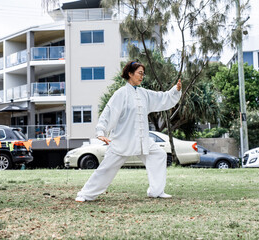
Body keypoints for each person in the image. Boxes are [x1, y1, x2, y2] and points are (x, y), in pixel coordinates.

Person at [75, 61, 182, 202]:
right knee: (106, 168)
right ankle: (85, 194)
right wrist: (101, 131)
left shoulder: (145, 94)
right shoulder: (121, 94)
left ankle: (156, 191)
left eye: (143, 74)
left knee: (159, 155)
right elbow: (109, 112)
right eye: (140, 73)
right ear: (130, 74)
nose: (142, 76)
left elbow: (162, 98)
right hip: (122, 140)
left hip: (142, 140)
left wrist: (175, 90)